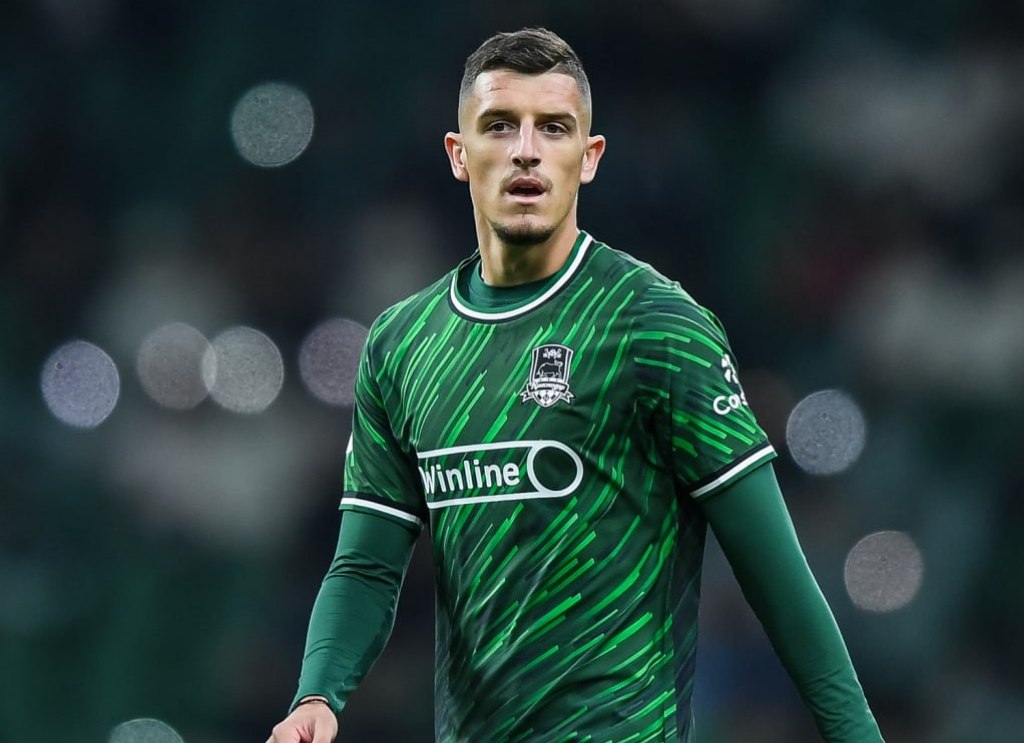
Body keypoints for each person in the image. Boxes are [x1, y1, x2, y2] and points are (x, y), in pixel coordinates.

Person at [267, 27, 884, 743]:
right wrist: (317, 694)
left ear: (589, 158)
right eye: (500, 125)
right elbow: (368, 564)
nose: (526, 150)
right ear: (459, 155)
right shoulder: (403, 344)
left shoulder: (653, 324)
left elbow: (774, 570)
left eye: (553, 128)